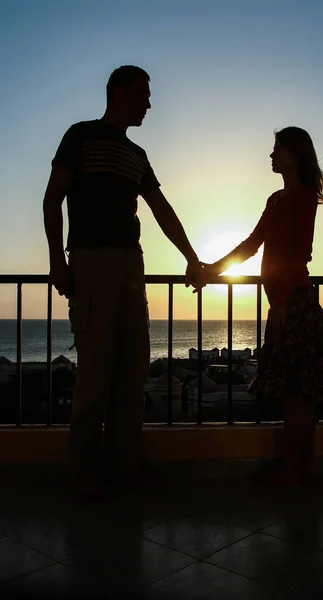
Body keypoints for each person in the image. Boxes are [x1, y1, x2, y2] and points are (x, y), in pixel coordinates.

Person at [43, 65, 203, 500]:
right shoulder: (81, 136)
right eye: (142, 94)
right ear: (118, 92)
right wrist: (58, 261)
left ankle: (124, 467)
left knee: (132, 373)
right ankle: (83, 473)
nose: (149, 104)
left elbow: (161, 208)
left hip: (133, 267)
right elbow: (52, 197)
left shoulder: (138, 156)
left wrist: (192, 258)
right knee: (94, 374)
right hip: (92, 264)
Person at [198, 126, 323, 485]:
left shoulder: (304, 196)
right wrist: (211, 270)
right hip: (284, 303)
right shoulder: (275, 200)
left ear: (295, 154)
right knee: (296, 394)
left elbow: (300, 256)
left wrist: (280, 301)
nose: (271, 154)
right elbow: (252, 244)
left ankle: (295, 468)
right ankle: (298, 467)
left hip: (293, 303)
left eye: (277, 148)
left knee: (298, 395)